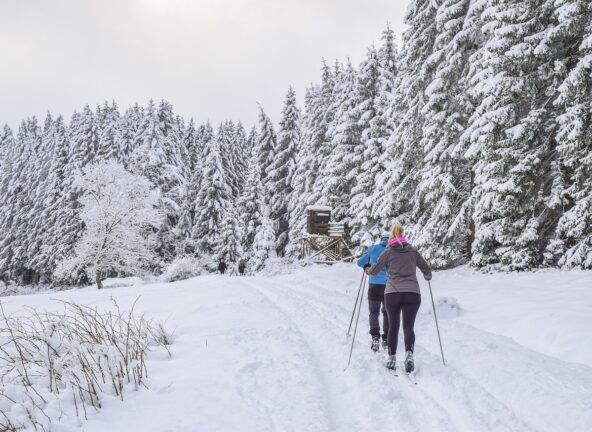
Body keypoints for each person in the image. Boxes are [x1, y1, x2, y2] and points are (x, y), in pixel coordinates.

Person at [365, 223, 431, 373]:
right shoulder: (413, 251)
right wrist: (427, 276)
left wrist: (367, 269)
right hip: (413, 293)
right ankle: (409, 354)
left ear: (391, 236)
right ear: (403, 234)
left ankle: (392, 358)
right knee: (408, 327)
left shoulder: (387, 252)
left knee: (393, 327)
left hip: (392, 293)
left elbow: (374, 271)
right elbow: (426, 270)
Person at [356, 231, 389, 352]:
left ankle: (375, 337)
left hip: (374, 285)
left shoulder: (373, 248)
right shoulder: (393, 250)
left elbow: (360, 262)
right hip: (389, 286)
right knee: (387, 313)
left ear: (381, 239)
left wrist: (367, 265)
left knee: (374, 312)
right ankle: (386, 338)